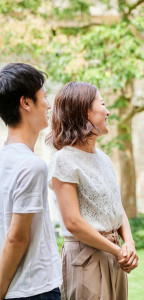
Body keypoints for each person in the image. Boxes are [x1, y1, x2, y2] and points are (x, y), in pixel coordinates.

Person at [46, 81, 138, 300]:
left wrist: (129, 244)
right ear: (85, 112)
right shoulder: (63, 160)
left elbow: (116, 205)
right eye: (102, 104)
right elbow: (73, 223)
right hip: (85, 260)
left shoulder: (103, 158)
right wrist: (117, 251)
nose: (107, 111)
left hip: (114, 255)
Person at [0, 63, 62, 299]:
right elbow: (16, 237)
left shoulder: (4, 159)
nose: (48, 105)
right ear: (26, 103)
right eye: (44, 97)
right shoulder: (32, 166)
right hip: (34, 289)